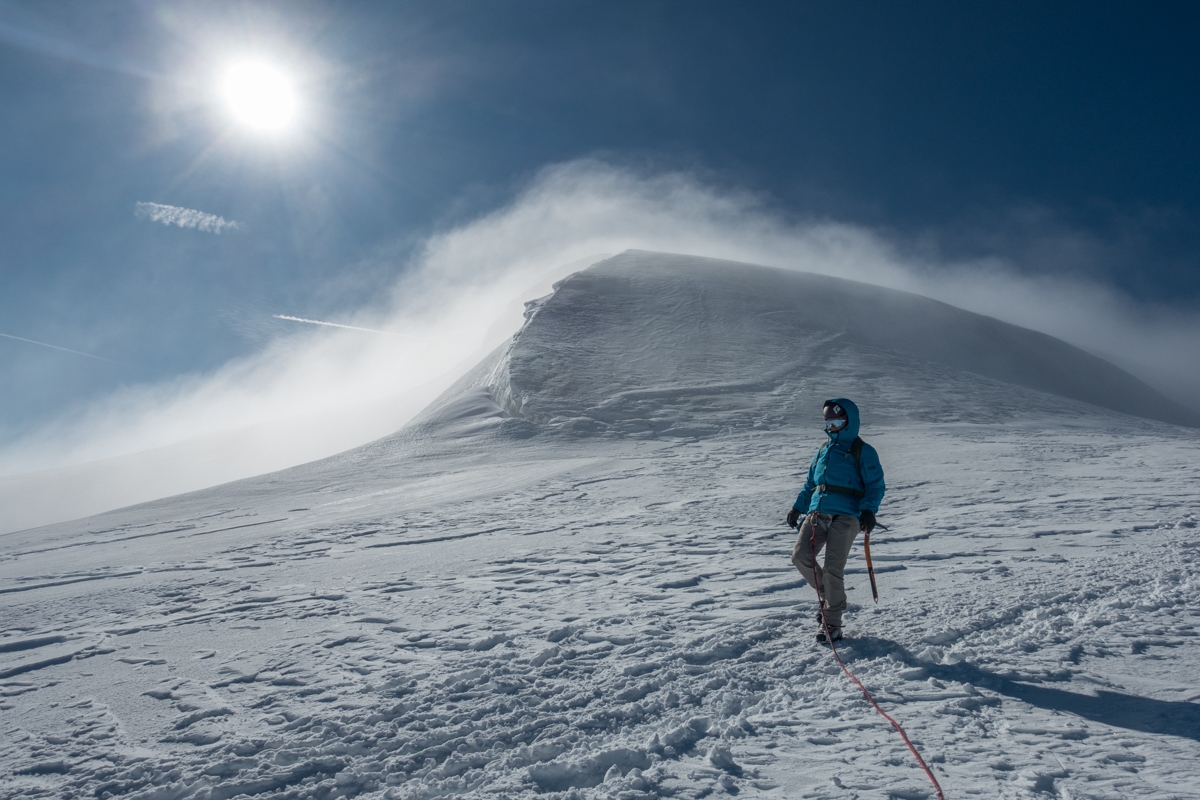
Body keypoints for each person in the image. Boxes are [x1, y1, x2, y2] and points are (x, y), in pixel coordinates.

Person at [786, 398, 885, 643]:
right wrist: (797, 507)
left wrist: (869, 511)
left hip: (847, 516)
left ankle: (831, 622)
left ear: (849, 421)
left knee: (833, 569)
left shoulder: (863, 451)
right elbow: (811, 483)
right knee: (800, 557)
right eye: (828, 421)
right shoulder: (823, 450)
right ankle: (829, 597)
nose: (832, 426)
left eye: (838, 421)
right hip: (817, 512)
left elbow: (875, 485)